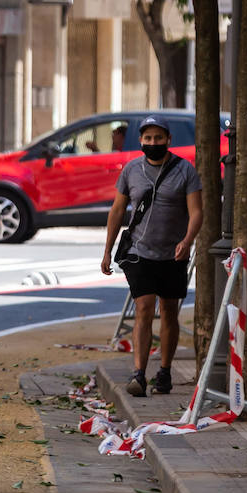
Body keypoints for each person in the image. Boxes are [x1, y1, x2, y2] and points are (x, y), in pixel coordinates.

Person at [102, 115, 201, 398]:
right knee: (144, 308)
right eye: (148, 138)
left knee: (169, 311)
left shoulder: (185, 171)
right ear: (141, 141)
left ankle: (165, 371)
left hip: (173, 253)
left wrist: (187, 240)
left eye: (159, 138)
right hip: (139, 252)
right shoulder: (131, 170)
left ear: (168, 140)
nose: (153, 143)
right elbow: (117, 211)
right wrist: (107, 250)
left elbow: (197, 212)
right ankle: (138, 374)